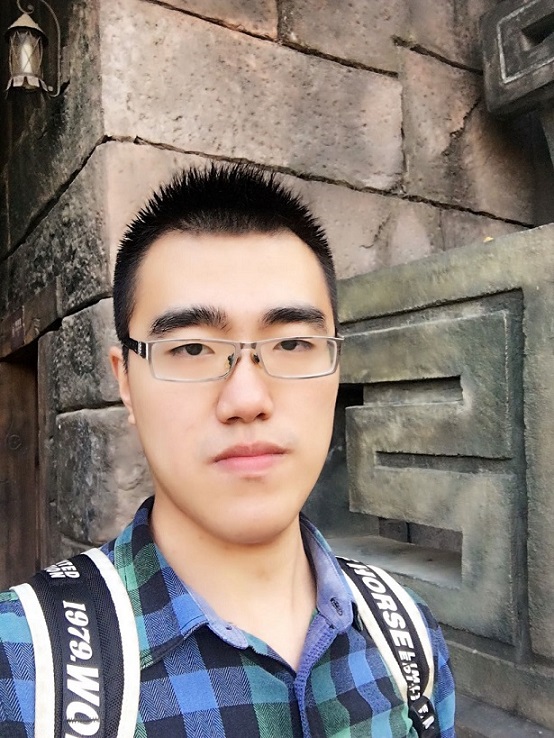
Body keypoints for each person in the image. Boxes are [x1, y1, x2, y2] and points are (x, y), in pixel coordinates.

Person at [0, 163, 455, 737]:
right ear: (126, 382)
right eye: (192, 349)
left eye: (293, 343)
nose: (247, 399)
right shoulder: (24, 671)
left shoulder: (406, 635)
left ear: (336, 365)